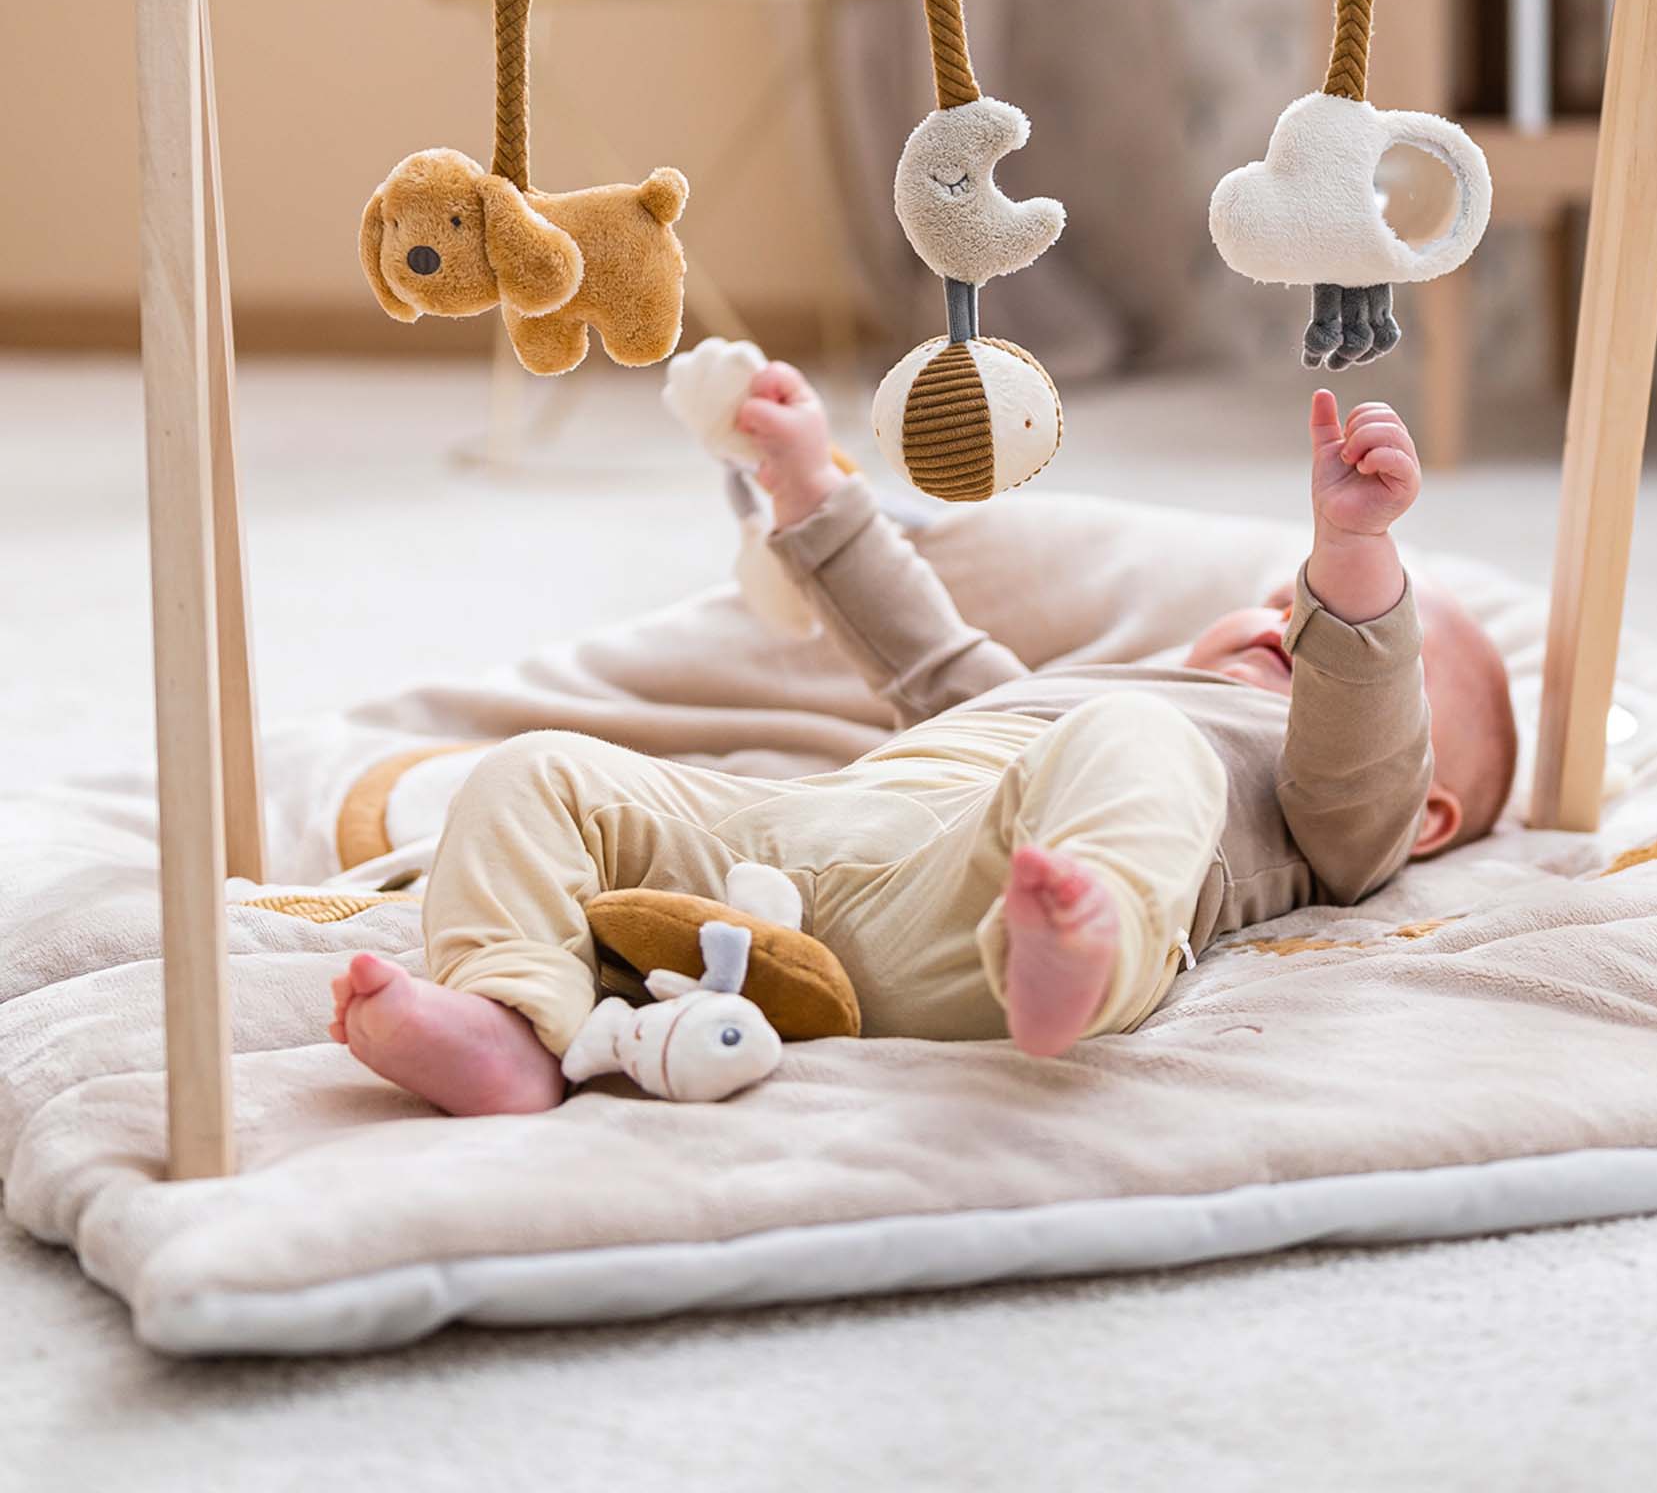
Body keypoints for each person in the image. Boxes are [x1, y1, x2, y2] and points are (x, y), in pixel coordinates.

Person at [330, 367, 1517, 1115]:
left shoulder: (1326, 800)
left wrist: (1353, 557)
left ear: (1424, 815)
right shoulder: (1070, 691)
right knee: (535, 769)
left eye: (1359, 637)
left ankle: (1078, 946)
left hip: (971, 911)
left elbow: (1355, 740)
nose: (1293, 619)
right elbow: (921, 648)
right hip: (771, 871)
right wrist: (809, 487)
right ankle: (514, 1019)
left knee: (1135, 735)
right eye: (1287, 599)